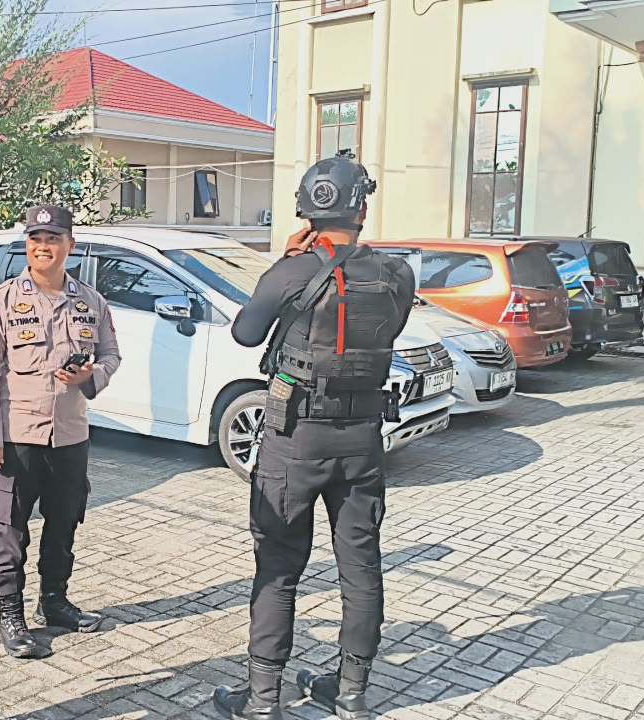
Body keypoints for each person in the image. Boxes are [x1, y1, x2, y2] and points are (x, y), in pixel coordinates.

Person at [211, 151, 415, 720]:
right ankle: (350, 693)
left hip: (295, 439)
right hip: (362, 441)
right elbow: (388, 329)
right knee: (361, 566)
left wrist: (288, 271)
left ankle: (262, 701)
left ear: (305, 209)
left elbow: (247, 334)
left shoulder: (293, 269)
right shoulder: (396, 273)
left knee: (278, 568)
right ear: (362, 207)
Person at [0, 205, 122, 659]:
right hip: (17, 436)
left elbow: (112, 355)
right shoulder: (1, 301)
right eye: (36, 238)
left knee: (63, 523)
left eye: (53, 238)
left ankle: (54, 602)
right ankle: (10, 615)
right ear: (27, 245)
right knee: (10, 529)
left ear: (69, 246)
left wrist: (91, 376)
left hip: (71, 435)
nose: (43, 246)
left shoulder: (90, 301)